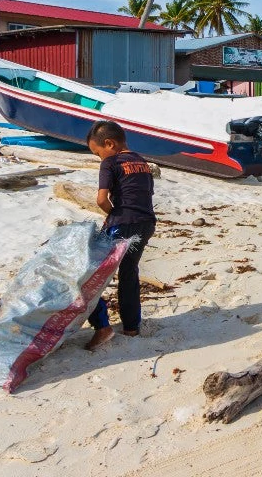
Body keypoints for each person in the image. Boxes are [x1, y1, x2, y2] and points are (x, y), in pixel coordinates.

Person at [84, 120, 156, 350]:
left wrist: (112, 215)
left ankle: (102, 327)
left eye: (98, 153)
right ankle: (131, 327)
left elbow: (101, 199)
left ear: (109, 144)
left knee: (90, 275)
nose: (99, 158)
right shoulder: (142, 162)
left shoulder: (110, 163)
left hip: (122, 224)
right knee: (128, 273)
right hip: (146, 224)